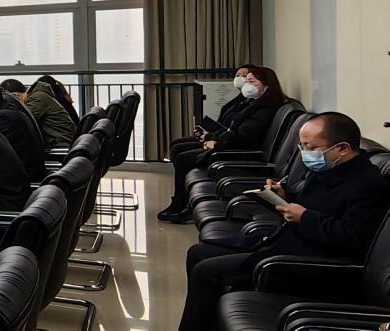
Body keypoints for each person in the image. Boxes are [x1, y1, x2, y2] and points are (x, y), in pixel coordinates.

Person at [177, 112, 390, 331]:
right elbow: (315, 206)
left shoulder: (368, 184)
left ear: (342, 148)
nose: (304, 153)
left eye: (310, 147)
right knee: (198, 253)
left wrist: (304, 217)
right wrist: (285, 197)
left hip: (309, 263)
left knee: (206, 270)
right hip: (287, 241)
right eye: (301, 146)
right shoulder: (329, 168)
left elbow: (354, 236)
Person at [158, 66, 287, 223]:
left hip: (238, 153)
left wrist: (216, 144)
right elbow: (234, 129)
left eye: (251, 81)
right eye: (246, 81)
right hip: (232, 147)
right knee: (180, 151)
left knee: (183, 158)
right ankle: (182, 204)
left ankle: (183, 205)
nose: (247, 85)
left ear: (266, 86)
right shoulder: (256, 103)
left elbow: (244, 136)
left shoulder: (265, 108)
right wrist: (213, 138)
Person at [25, 79, 76, 149]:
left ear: (17, 94)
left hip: (59, 144)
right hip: (62, 141)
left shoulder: (39, 97)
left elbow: (24, 121)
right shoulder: (42, 95)